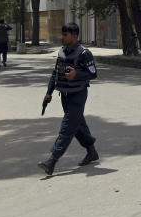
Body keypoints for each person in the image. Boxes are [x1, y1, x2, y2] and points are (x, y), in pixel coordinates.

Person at [38, 23, 99, 174]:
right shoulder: (62, 52)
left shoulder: (84, 53)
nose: (62, 37)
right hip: (64, 95)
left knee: (67, 127)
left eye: (65, 35)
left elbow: (93, 73)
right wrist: (49, 92)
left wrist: (76, 75)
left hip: (78, 94)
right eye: (62, 34)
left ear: (74, 35)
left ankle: (52, 160)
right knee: (77, 125)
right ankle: (92, 152)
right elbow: (55, 73)